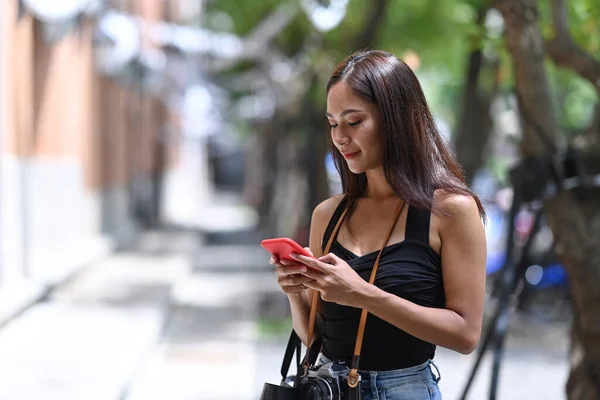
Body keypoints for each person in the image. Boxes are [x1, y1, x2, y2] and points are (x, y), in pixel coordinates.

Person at [269, 50, 487, 400]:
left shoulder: (451, 211)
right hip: (328, 389)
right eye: (333, 123)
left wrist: (362, 294)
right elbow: (317, 336)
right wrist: (296, 291)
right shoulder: (328, 214)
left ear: (396, 120)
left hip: (405, 390)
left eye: (354, 122)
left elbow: (465, 334)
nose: (340, 137)